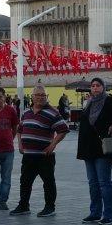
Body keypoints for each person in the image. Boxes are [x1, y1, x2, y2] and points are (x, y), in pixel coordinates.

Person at [75, 78, 112, 224]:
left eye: (98, 86)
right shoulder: (90, 102)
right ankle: (95, 212)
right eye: (93, 86)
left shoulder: (110, 101)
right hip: (88, 147)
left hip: (103, 146)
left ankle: (109, 214)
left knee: (104, 182)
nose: (95, 88)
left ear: (103, 87)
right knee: (92, 182)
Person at [11, 85, 68, 217]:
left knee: (48, 182)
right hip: (29, 155)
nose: (41, 98)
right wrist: (20, 144)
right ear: (32, 97)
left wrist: (53, 144)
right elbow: (20, 130)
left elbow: (63, 130)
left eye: (43, 95)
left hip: (44, 155)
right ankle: (24, 205)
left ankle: (50, 207)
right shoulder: (26, 112)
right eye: (38, 95)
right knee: (25, 181)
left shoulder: (53, 112)